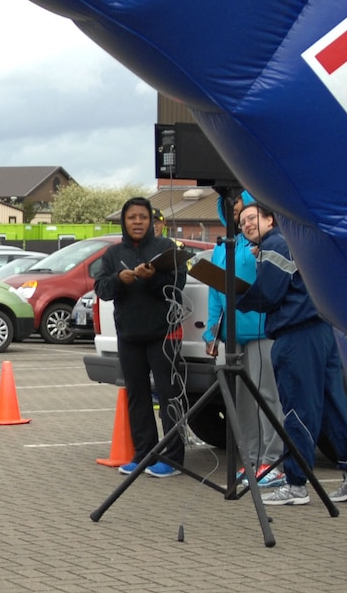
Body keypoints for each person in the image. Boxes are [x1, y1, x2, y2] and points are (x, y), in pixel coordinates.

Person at [236, 201, 347, 505]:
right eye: (242, 222)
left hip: (296, 334)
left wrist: (239, 294)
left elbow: (269, 292)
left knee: (298, 408)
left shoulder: (274, 245)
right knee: (335, 405)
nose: (246, 225)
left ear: (271, 218)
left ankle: (296, 484)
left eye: (252, 218)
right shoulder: (292, 242)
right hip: (322, 329)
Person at [94, 197, 189, 478]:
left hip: (164, 334)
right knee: (137, 397)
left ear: (151, 222)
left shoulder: (165, 248)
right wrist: (118, 280)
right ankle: (144, 454)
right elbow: (101, 288)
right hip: (129, 335)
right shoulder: (112, 254)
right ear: (124, 221)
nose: (137, 222)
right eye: (132, 217)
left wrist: (150, 278)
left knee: (169, 396)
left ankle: (173, 459)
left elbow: (177, 285)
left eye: (143, 217)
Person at [202, 191, 283, 487]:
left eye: (239, 201)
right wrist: (212, 331)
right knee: (243, 402)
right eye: (230, 205)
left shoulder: (262, 242)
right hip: (232, 333)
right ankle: (251, 460)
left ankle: (273, 462)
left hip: (262, 330)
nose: (235, 208)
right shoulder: (222, 246)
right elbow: (215, 291)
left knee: (267, 396)